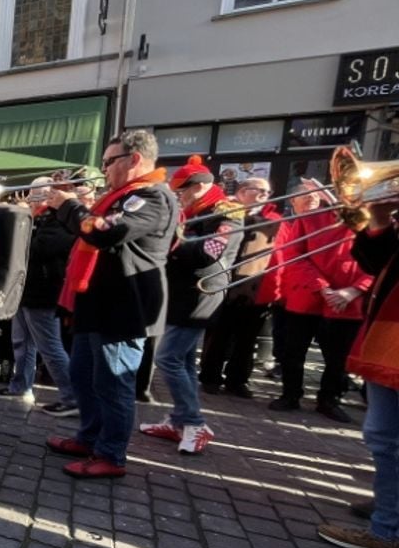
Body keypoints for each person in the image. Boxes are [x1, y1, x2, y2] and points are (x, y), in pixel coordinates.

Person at [45, 130, 178, 478]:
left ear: (134, 159)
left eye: (108, 162)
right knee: (83, 376)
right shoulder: (122, 196)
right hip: (98, 303)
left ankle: (111, 454)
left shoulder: (151, 196)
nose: (103, 169)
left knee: (113, 383)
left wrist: (69, 206)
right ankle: (89, 438)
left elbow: (105, 232)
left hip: (124, 307)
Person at [316, 199, 399, 548]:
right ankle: (385, 530)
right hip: (388, 336)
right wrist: (380, 220)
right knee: (382, 438)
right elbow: (377, 264)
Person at [139, 157, 242, 454]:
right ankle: (180, 420)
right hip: (182, 293)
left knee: (167, 358)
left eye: (182, 191)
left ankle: (194, 423)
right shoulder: (193, 211)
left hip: (201, 295)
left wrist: (167, 241)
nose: (179, 196)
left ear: (199, 187)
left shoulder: (227, 211)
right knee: (183, 362)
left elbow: (211, 251)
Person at [269, 183, 370, 422]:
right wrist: (322, 287)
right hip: (308, 296)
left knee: (338, 357)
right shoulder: (309, 218)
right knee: (294, 351)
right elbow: (295, 255)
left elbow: (381, 261)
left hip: (348, 300)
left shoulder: (375, 221)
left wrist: (354, 290)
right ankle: (290, 394)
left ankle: (329, 399)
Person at [0, 177, 79, 415]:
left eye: (36, 193)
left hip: (44, 292)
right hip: (26, 290)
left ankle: (73, 397)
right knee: (21, 343)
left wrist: (25, 221)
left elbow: (40, 249)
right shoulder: (38, 218)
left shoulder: (60, 220)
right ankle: (20, 386)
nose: (31, 198)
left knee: (50, 348)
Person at [199, 177, 279, 398]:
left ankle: (238, 380)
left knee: (247, 340)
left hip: (255, 288)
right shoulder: (224, 212)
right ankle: (210, 376)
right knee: (218, 336)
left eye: (268, 192)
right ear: (242, 191)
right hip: (226, 284)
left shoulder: (274, 219)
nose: (265, 195)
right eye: (260, 190)